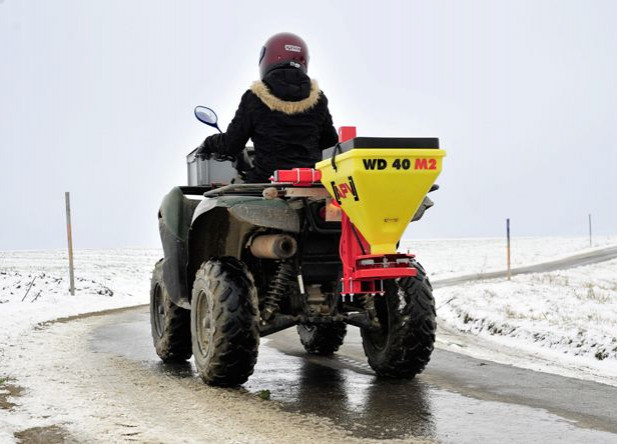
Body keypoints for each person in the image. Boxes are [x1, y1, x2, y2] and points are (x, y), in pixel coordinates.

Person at [195, 32, 339, 183]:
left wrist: (208, 143)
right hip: (311, 182)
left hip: (266, 182)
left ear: (267, 58)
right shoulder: (318, 99)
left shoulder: (255, 97)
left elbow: (231, 144)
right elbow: (330, 144)